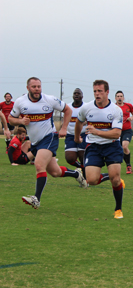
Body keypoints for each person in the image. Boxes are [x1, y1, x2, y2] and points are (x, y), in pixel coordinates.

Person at [9, 77, 87, 209]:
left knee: (39, 165)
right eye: (34, 87)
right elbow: (11, 119)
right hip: (35, 142)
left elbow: (67, 110)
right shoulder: (20, 102)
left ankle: (36, 199)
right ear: (28, 88)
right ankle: (76, 174)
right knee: (55, 172)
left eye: (39, 86)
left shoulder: (49, 99)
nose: (37, 89)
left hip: (49, 137)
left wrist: (63, 128)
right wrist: (21, 122)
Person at [75, 80, 125, 219]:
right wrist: (77, 136)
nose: (97, 94)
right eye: (95, 91)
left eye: (100, 91)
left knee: (115, 181)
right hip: (93, 147)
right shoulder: (87, 108)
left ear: (107, 92)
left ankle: (118, 209)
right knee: (91, 180)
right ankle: (112, 176)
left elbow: (116, 133)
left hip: (112, 146)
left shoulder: (115, 110)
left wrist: (97, 132)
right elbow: (79, 121)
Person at [65, 88, 87, 171]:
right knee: (70, 158)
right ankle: (80, 167)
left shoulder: (86, 107)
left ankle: (85, 179)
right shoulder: (68, 107)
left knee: (83, 157)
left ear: (82, 96)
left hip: (84, 134)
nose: (76, 95)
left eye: (78, 93)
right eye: (75, 93)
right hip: (70, 135)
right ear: (72, 96)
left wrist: (84, 123)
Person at [115, 91, 133, 174]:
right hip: (117, 131)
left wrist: (131, 118)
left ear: (123, 98)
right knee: (119, 149)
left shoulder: (128, 106)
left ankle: (128, 166)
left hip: (127, 130)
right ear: (115, 98)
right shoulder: (113, 107)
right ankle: (117, 165)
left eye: (121, 96)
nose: (119, 97)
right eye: (118, 96)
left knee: (124, 146)